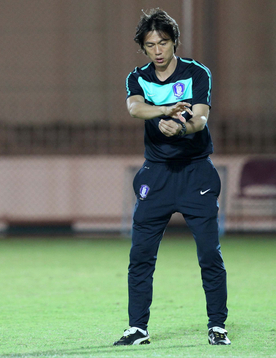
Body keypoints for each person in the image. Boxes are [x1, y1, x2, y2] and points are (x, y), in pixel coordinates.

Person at [113, 8, 230, 346]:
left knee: (209, 252)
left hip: (196, 174)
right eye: (150, 45)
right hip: (157, 175)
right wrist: (165, 111)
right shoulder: (138, 78)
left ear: (174, 42)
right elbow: (135, 108)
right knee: (141, 255)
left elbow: (201, 119)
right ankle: (138, 328)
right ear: (144, 48)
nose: (158, 51)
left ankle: (217, 325)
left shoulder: (197, 74)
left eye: (163, 42)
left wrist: (179, 126)